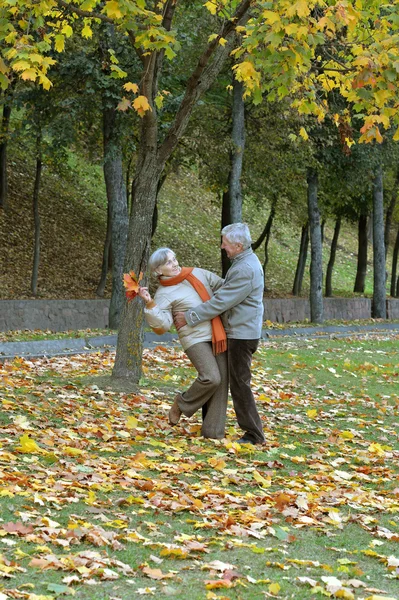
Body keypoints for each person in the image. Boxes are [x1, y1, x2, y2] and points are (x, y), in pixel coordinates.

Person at [174, 223, 266, 446]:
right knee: (230, 381)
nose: (222, 246)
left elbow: (221, 301)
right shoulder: (242, 263)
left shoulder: (246, 269)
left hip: (241, 335)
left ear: (238, 244)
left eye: (225, 243)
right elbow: (225, 289)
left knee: (239, 384)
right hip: (238, 331)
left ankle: (254, 434)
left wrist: (191, 316)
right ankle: (215, 427)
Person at [138, 248, 228, 440]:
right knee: (211, 377)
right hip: (194, 339)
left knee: (221, 383)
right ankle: (181, 403)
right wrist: (150, 304)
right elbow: (162, 326)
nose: (176, 264)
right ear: (158, 271)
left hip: (218, 334)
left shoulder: (197, 273)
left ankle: (213, 433)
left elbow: (223, 286)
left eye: (175, 259)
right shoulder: (164, 293)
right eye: (169, 263)